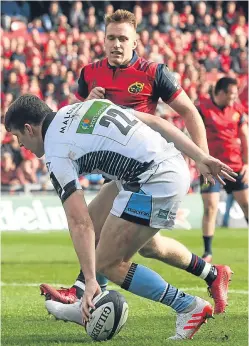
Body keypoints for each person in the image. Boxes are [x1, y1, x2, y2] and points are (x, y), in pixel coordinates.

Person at [40, 10, 232, 315]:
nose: (116, 44)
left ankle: (83, 293)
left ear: (135, 42)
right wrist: (86, 100)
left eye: (123, 39)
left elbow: (189, 112)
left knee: (96, 229)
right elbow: (75, 115)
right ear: (102, 40)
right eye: (111, 38)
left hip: (147, 169)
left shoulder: (154, 72)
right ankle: (212, 273)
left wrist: (203, 156)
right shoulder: (89, 72)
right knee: (147, 246)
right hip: (117, 171)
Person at [5, 95, 236, 339]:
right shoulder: (82, 108)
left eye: (18, 136)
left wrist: (92, 277)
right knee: (107, 227)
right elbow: (156, 123)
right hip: (161, 165)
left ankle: (189, 307)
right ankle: (88, 299)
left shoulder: (56, 153)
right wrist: (199, 156)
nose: (20, 145)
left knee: (108, 263)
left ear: (29, 129)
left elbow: (78, 222)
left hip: (154, 180)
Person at [199, 77, 248, 262]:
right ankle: (208, 252)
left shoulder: (237, 110)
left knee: (247, 205)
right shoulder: (202, 109)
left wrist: (247, 164)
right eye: (232, 94)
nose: (234, 97)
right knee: (210, 208)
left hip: (235, 167)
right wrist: (200, 160)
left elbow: (245, 136)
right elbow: (194, 134)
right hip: (211, 168)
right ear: (220, 92)